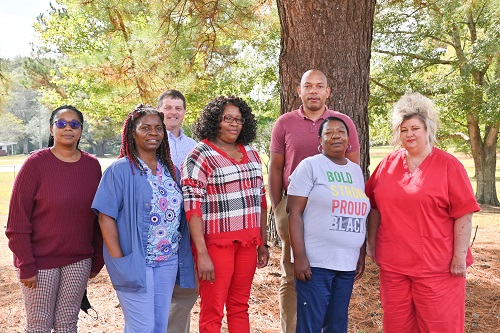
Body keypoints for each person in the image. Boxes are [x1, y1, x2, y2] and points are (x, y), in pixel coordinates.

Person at [365, 92, 480, 333]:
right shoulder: (388, 164)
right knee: (397, 326)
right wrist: (372, 244)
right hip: (394, 266)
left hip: (437, 267)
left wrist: (459, 258)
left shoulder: (449, 166)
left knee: (440, 327)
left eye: (415, 128)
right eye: (403, 129)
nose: (409, 134)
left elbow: (464, 214)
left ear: (428, 129)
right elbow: (373, 206)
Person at [268, 69, 360, 333]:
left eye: (320, 86)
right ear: (299, 90)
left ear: (327, 92)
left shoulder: (342, 123)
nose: (313, 91)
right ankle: (294, 328)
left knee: (329, 272)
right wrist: (277, 208)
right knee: (293, 271)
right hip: (294, 205)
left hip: (333, 210)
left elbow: (352, 170)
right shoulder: (285, 123)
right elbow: (276, 168)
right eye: (308, 86)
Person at [91, 105, 195, 333]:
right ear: (132, 132)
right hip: (135, 262)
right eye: (145, 128)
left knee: (159, 325)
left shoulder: (171, 171)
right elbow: (105, 217)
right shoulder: (119, 170)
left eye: (158, 128)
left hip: (166, 261)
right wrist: (121, 260)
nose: (153, 133)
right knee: (142, 327)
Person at [6, 105, 104, 332]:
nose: (67, 128)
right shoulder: (35, 164)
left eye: (74, 124)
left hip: (78, 261)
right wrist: (26, 264)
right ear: (52, 129)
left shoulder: (92, 166)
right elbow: (17, 221)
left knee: (67, 324)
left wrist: (96, 259)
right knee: (39, 325)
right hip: (39, 263)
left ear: (81, 130)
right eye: (61, 123)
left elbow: (97, 218)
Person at [181, 96, 269, 333]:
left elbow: (260, 200)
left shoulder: (251, 153)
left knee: (240, 306)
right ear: (214, 121)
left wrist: (263, 242)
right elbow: (192, 208)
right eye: (227, 118)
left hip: (249, 242)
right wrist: (201, 254)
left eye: (239, 120)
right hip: (216, 245)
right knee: (213, 311)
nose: (234, 124)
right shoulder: (200, 155)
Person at [287, 116, 369, 333]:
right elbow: (293, 213)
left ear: (348, 139)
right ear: (320, 141)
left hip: (346, 263)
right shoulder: (310, 166)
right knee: (311, 326)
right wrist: (300, 257)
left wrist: (360, 253)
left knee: (337, 325)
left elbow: (359, 215)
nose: (336, 136)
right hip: (316, 263)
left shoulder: (355, 171)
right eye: (329, 133)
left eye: (341, 132)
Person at [157, 89, 198, 333]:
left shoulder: (194, 147)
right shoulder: (149, 141)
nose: (173, 112)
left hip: (187, 223)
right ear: (159, 110)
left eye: (178, 108)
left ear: (184, 113)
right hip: (157, 224)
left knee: (185, 289)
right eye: (167, 107)